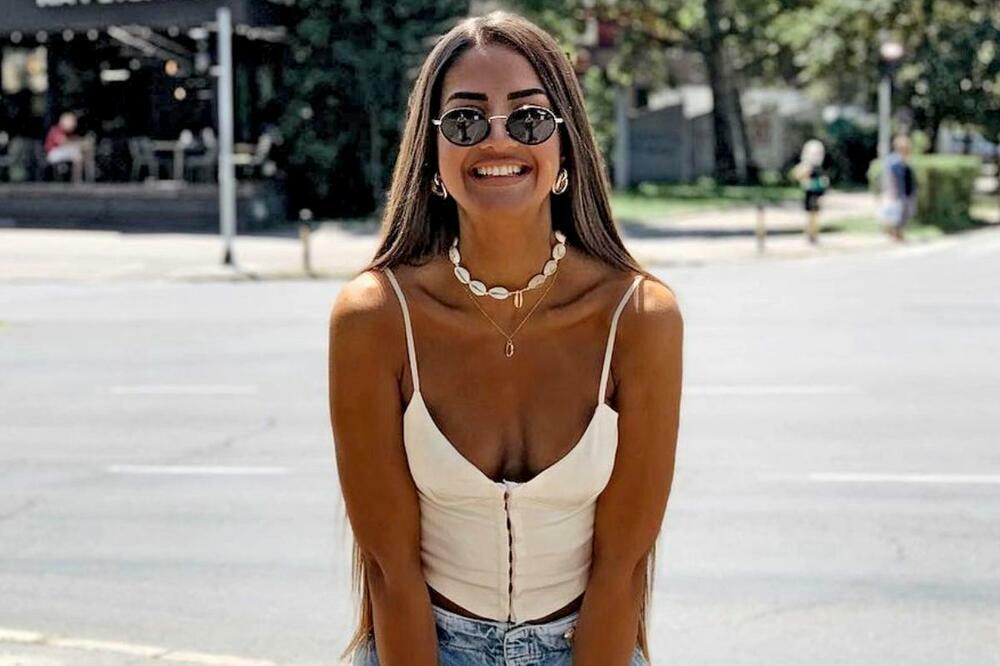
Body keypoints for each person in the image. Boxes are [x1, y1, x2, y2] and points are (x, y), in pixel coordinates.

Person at [327, 12, 683, 666]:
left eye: (529, 119)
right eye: (465, 121)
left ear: (565, 146)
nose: (497, 141)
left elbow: (622, 568)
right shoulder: (375, 316)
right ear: (432, 153)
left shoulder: (638, 316)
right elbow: (390, 570)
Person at [790, 139, 829, 244]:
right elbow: (797, 175)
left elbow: (823, 182)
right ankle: (811, 235)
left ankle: (813, 235)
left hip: (816, 193)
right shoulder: (806, 167)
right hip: (810, 193)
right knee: (811, 215)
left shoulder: (818, 169)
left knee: (814, 215)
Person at [881, 134, 917, 242]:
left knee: (906, 213)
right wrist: (892, 191)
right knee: (897, 214)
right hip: (898, 192)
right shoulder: (894, 160)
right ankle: (895, 233)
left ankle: (898, 232)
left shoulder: (906, 160)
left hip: (907, 191)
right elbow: (891, 177)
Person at [44, 111, 91, 183]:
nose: (74, 124)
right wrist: (81, 144)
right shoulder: (56, 130)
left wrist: (82, 144)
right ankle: (77, 180)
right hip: (52, 154)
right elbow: (64, 142)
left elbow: (73, 141)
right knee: (77, 154)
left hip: (60, 152)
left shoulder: (67, 132)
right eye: (72, 121)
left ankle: (85, 178)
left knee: (80, 152)